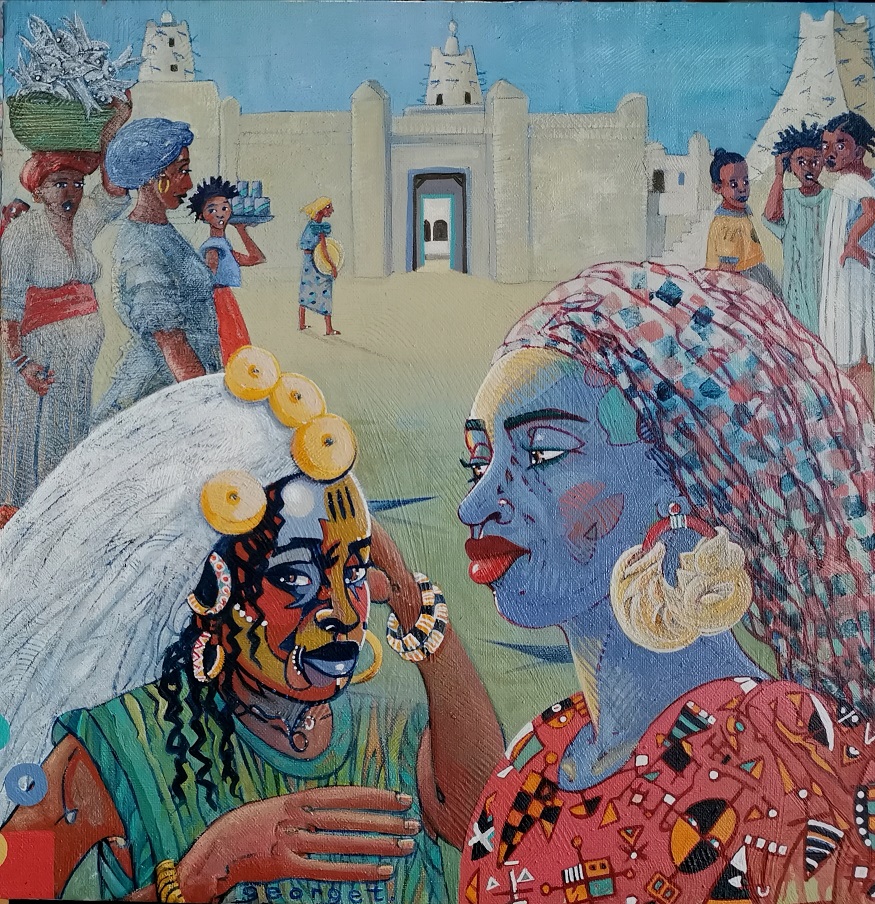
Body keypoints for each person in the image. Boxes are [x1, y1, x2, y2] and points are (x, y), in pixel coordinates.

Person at [456, 262, 875, 903]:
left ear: (680, 475)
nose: (475, 505)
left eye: (543, 453)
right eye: (478, 463)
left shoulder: (793, 750)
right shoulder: (530, 772)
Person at [0, 347, 503, 901]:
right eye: (294, 578)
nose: (342, 611)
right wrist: (202, 876)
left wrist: (409, 600)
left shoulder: (391, 737)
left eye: (354, 572)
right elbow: (11, 886)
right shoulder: (124, 745)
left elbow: (489, 828)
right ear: (214, 590)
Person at [0, 97, 131, 528]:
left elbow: (113, 191)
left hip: (78, 360)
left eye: (76, 183)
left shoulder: (85, 219)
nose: (70, 192)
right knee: (26, 437)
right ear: (38, 189)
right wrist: (21, 362)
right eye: (59, 183)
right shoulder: (24, 231)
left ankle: (63, 515)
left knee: (69, 430)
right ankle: (18, 520)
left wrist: (113, 126)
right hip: (35, 358)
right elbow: (8, 305)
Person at [92, 118, 220, 424]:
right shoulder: (141, 248)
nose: (188, 184)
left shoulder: (162, 232)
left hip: (181, 385)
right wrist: (210, 409)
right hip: (158, 393)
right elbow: (171, 341)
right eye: (182, 171)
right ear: (153, 177)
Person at [819, 112, 875, 410]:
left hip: (848, 275)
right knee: (861, 349)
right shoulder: (872, 178)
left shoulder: (849, 181)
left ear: (859, 151)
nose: (830, 152)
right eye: (826, 145)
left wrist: (853, 239)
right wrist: (873, 227)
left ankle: (850, 418)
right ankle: (865, 418)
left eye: (840, 145)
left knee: (844, 347)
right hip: (864, 275)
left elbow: (873, 208)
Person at [763, 121, 832, 334]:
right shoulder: (788, 198)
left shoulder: (832, 199)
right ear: (790, 166)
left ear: (823, 162)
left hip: (825, 284)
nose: (807, 167)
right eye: (800, 161)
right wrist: (778, 175)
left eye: (814, 161)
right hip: (796, 288)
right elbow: (770, 215)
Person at [189, 176, 266, 364]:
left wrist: (241, 230)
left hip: (225, 299)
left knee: (234, 343)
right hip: (218, 300)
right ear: (202, 216)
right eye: (212, 210)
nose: (220, 214)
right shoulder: (213, 248)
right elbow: (208, 278)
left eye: (224, 208)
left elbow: (256, 258)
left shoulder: (223, 246)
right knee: (229, 343)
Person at [706, 148, 783, 299]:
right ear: (717, 188)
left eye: (746, 181)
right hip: (742, 280)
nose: (742, 188)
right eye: (733, 184)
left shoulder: (740, 214)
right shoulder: (726, 225)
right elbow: (727, 271)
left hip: (754, 272)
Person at [298, 197, 341, 336]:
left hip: (307, 262)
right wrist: (333, 266)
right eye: (329, 207)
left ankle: (301, 323)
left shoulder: (310, 225)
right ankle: (328, 328)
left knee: (305, 291)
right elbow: (324, 249)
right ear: (322, 209)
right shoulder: (319, 228)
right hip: (317, 262)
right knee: (325, 292)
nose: (332, 210)